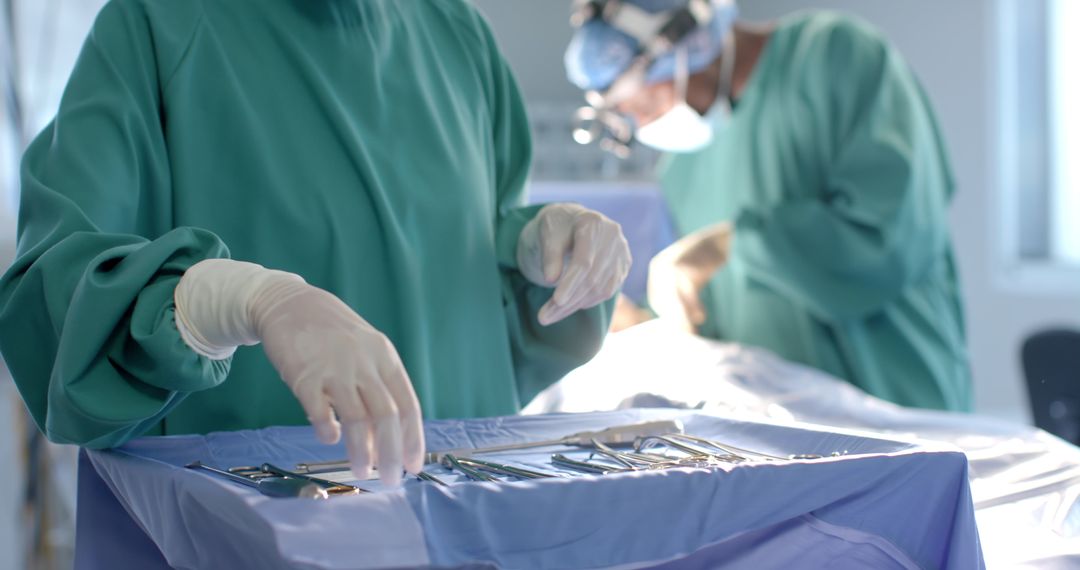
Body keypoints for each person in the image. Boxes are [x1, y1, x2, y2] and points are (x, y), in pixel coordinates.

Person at [0, 0, 631, 486]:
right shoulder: (160, 26)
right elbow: (55, 312)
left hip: (466, 518)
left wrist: (547, 257)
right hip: (251, 532)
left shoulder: (457, 33)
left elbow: (483, 302)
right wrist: (228, 304)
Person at [564, 0, 972, 411]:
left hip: (896, 403)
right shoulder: (681, 166)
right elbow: (722, 318)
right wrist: (647, 326)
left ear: (689, 43)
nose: (644, 123)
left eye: (646, 105)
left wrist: (734, 244)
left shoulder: (835, 56)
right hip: (777, 424)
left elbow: (890, 243)